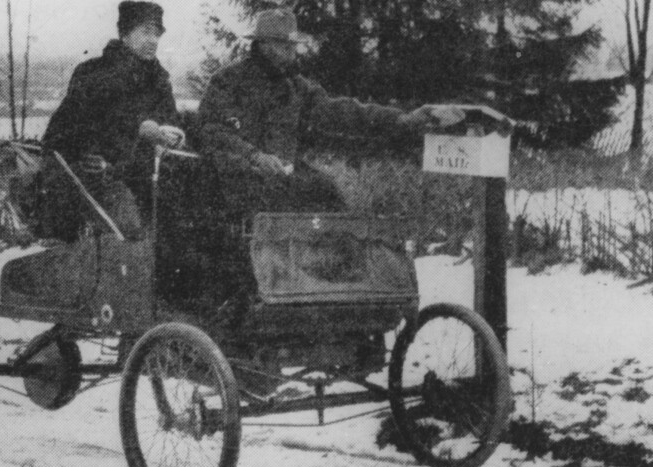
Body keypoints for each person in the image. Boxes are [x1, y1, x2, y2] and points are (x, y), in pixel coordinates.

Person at [197, 7, 462, 315]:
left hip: (282, 177)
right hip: (235, 180)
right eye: (284, 46)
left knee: (327, 192)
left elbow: (345, 113)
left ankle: (331, 293)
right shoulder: (228, 82)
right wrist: (252, 156)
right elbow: (210, 130)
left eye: (292, 45)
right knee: (266, 217)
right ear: (263, 45)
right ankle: (260, 296)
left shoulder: (296, 88)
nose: (291, 52)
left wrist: (403, 121)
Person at [38, 1, 180, 242]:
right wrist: (138, 127)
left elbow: (170, 119)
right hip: (90, 172)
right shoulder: (93, 73)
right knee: (128, 231)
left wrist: (174, 134)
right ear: (125, 34)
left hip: (139, 175)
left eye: (157, 34)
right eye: (146, 32)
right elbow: (76, 126)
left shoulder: (159, 79)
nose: (153, 40)